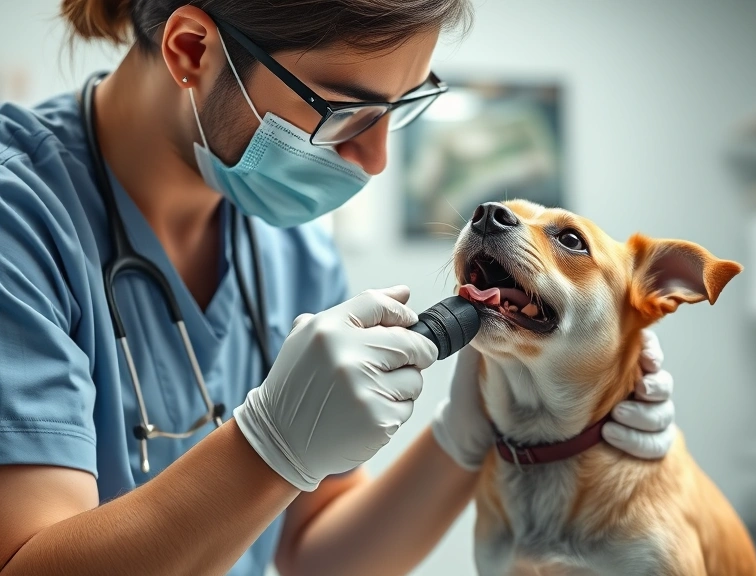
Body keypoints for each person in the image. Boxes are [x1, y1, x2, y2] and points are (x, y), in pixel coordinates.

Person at [0, 1, 679, 574]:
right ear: (191, 51)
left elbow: (316, 551)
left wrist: (472, 427)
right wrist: (268, 447)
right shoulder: (19, 219)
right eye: (345, 109)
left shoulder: (288, 246)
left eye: (402, 105)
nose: (378, 159)